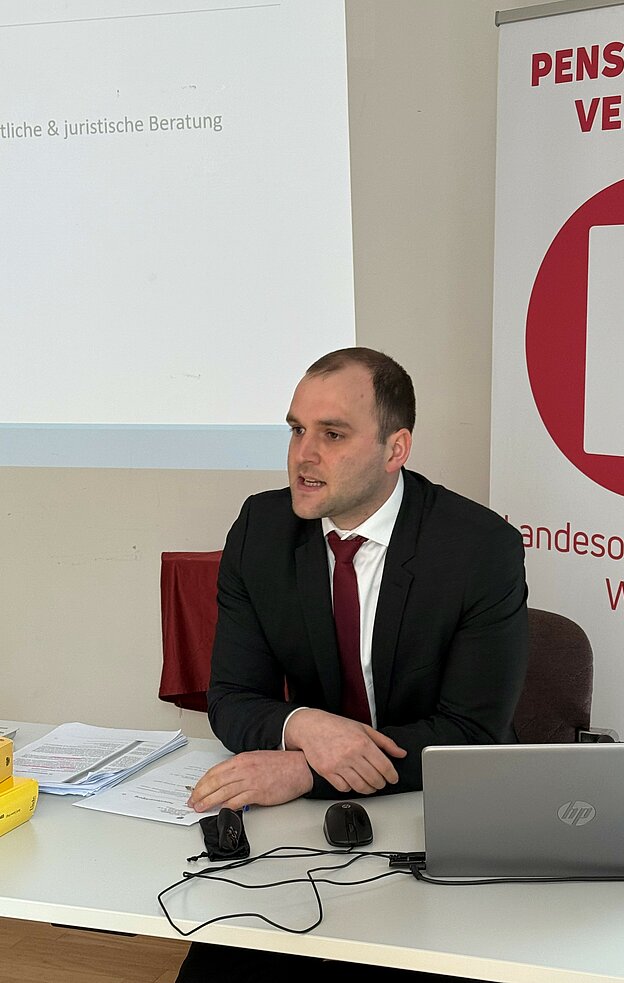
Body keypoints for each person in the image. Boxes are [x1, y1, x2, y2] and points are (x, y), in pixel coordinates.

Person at [175, 347, 529, 982]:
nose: (303, 455)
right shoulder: (261, 528)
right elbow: (231, 696)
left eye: (332, 434)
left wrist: (307, 769)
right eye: (296, 430)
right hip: (306, 838)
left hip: (434, 814)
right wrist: (305, 725)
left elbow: (472, 735)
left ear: (396, 449)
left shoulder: (479, 548)